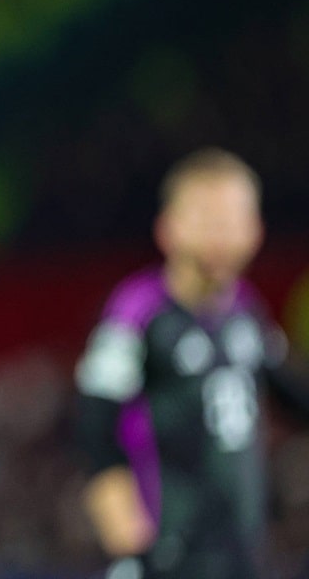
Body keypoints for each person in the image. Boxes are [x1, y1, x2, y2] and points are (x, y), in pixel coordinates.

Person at [73, 147, 309, 579]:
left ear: (256, 229)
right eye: (209, 221)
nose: (223, 236)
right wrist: (116, 508)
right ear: (169, 229)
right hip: (165, 553)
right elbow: (94, 418)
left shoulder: (246, 312)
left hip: (241, 552)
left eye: (235, 221)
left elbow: (291, 392)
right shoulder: (137, 312)